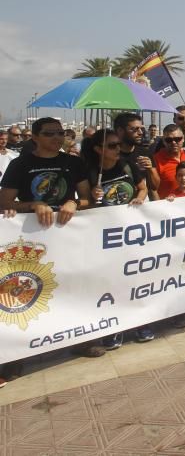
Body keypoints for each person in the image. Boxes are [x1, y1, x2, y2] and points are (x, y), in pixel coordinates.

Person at [1, 118, 95, 372]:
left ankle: (81, 340)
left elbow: (87, 199)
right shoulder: (20, 165)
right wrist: (33, 205)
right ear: (35, 137)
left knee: (75, 288)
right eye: (50, 133)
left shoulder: (73, 163)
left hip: (68, 238)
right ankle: (16, 354)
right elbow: (5, 203)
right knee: (29, 295)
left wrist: (75, 203)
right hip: (32, 242)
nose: (57, 138)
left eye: (61, 133)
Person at [84, 128, 155, 349]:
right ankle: (114, 327)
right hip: (104, 235)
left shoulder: (127, 164)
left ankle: (140, 322)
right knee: (112, 282)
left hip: (131, 231)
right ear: (98, 149)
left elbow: (142, 189)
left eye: (118, 144)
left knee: (136, 277)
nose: (118, 149)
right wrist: (93, 198)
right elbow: (84, 204)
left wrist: (139, 199)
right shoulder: (89, 170)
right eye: (112, 146)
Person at [153, 123, 185, 199]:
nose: (173, 143)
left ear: (183, 139)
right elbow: (152, 189)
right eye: (169, 140)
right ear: (164, 141)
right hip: (168, 207)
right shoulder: (156, 160)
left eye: (177, 139)